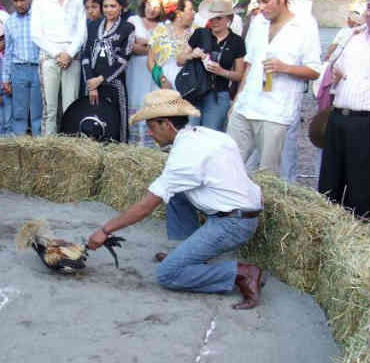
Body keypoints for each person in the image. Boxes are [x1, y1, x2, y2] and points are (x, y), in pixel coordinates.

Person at [87, 89, 264, 309]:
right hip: (241, 212)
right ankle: (188, 253)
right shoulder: (206, 134)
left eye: (151, 127)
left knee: (168, 274)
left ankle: (242, 273)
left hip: (233, 224)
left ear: (167, 124)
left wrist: (105, 230)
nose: (149, 134)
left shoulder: (184, 155)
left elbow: (145, 207)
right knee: (174, 193)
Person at [226, 0, 320, 176]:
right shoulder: (258, 22)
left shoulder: (305, 25)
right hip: (246, 106)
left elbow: (314, 70)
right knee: (228, 165)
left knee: (267, 176)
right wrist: (237, 100)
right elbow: (249, 64)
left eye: (266, 1)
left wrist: (285, 68)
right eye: (259, 1)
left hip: (276, 112)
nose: (261, 7)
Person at [318, 1, 369, 220]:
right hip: (339, 115)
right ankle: (326, 230)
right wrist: (333, 74)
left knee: (360, 186)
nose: (368, 12)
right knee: (329, 183)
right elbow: (329, 66)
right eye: (369, 6)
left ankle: (359, 237)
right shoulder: (352, 36)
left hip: (365, 120)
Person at [179, 0, 245, 131]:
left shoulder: (237, 42)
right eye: (212, 17)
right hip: (194, 92)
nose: (214, 21)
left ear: (229, 19)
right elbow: (179, 60)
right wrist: (191, 55)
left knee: (210, 137)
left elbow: (239, 75)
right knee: (189, 134)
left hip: (218, 96)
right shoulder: (200, 34)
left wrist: (222, 71)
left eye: (219, 18)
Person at [30, 0, 87, 136]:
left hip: (72, 56)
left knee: (70, 105)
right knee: (50, 108)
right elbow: (36, 33)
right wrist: (57, 53)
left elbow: (82, 31)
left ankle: (69, 145)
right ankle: (48, 145)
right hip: (49, 56)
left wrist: (69, 53)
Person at [81, 0, 135, 143]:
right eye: (105, 6)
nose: (109, 10)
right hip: (92, 86)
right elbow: (85, 54)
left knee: (117, 121)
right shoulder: (92, 25)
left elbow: (123, 61)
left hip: (115, 86)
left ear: (121, 8)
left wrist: (100, 79)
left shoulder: (127, 28)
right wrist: (91, 82)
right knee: (93, 118)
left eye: (113, 6)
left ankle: (119, 154)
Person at [2, 0, 42, 136]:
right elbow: (8, 51)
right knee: (19, 110)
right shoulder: (10, 21)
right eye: (16, 1)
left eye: (22, 0)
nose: (19, 4)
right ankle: (19, 142)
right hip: (18, 69)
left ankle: (39, 143)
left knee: (38, 109)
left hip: (38, 68)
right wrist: (5, 78)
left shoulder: (39, 18)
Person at [126, 0, 162, 147]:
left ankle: (150, 144)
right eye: (149, 5)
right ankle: (133, 143)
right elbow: (130, 47)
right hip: (135, 71)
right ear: (144, 4)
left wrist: (144, 44)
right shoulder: (133, 21)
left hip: (153, 71)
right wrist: (152, 47)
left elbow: (163, 50)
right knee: (134, 101)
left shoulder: (164, 25)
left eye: (156, 7)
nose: (151, 10)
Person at [147, 0, 194, 90]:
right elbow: (150, 61)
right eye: (191, 9)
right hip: (165, 88)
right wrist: (162, 80)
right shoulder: (160, 31)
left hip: (189, 87)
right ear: (179, 13)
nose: (194, 13)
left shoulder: (196, 32)